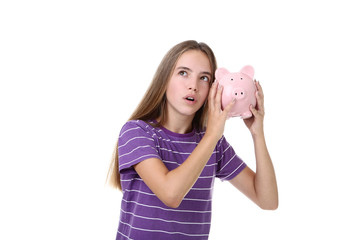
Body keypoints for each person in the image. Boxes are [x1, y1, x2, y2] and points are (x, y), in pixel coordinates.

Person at [107, 40, 278, 240]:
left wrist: (257, 133)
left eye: (204, 78)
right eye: (183, 73)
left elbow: (268, 200)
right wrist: (213, 134)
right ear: (164, 80)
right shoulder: (136, 132)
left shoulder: (214, 145)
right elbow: (171, 194)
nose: (193, 86)